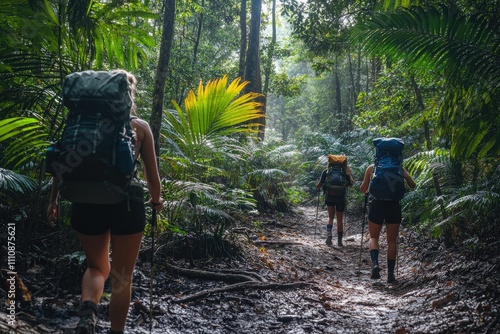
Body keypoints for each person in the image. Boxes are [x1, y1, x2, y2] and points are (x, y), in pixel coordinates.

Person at [47, 70, 163, 334]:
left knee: (96, 266)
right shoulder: (140, 127)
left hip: (85, 199)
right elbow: (152, 179)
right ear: (127, 96)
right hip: (127, 203)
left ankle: (88, 314)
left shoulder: (76, 124)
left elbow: (62, 166)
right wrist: (157, 201)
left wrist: (53, 200)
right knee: (122, 278)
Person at [359, 163, 416, 283]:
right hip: (394, 206)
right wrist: (404, 176)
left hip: (377, 205)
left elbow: (363, 189)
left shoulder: (372, 168)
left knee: (374, 237)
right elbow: (413, 185)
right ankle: (390, 274)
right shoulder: (399, 167)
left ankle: (375, 264)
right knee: (391, 241)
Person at [316, 154, 355, 247]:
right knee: (340, 219)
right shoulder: (344, 172)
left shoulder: (326, 171)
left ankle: (329, 234)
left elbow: (319, 185)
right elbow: (350, 184)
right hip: (340, 197)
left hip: (330, 196)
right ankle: (339, 242)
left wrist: (319, 185)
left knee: (330, 217)